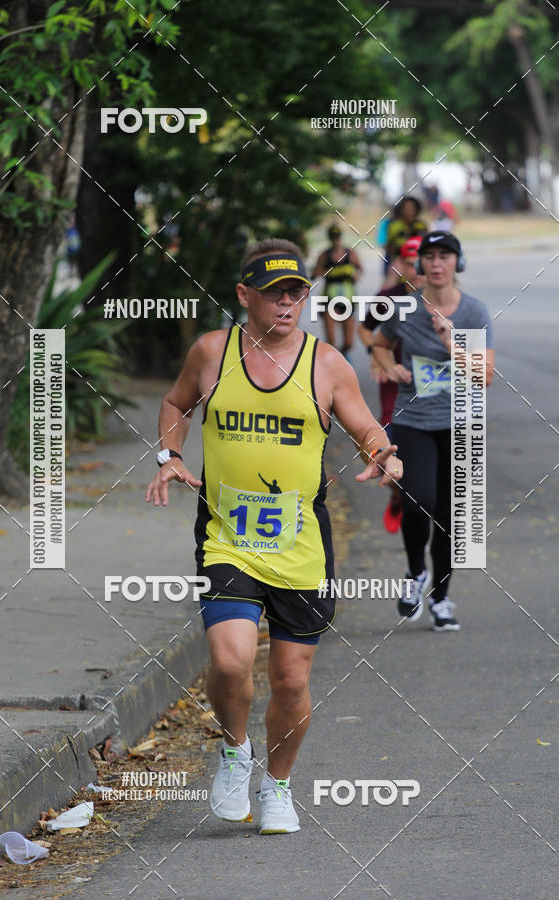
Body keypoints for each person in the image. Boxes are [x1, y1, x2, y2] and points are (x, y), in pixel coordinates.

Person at [145, 238, 401, 834]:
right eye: (274, 294)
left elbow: (365, 425)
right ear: (245, 296)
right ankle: (236, 752)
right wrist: (168, 454)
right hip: (226, 535)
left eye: (297, 293)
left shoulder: (326, 365)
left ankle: (278, 784)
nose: (287, 304)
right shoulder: (212, 353)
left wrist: (385, 454)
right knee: (231, 661)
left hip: (300, 544)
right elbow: (176, 403)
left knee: (290, 679)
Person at [372, 231, 495, 631]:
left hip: (460, 421)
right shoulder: (405, 309)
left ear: (457, 263)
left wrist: (452, 343)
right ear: (420, 264)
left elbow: (485, 375)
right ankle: (414, 574)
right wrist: (389, 366)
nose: (437, 264)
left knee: (449, 516)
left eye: (445, 256)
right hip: (413, 419)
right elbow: (379, 343)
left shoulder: (473, 313)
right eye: (430, 256)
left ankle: (441, 599)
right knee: (416, 500)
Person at [358, 236, 426, 533]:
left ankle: (416, 501)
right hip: (394, 382)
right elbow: (364, 329)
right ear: (400, 265)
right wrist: (375, 353)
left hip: (430, 388)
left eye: (419, 263)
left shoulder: (441, 298)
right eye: (410, 264)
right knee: (393, 448)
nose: (416, 270)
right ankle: (397, 496)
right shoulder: (388, 297)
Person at [312, 224, 363, 360]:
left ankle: (343, 356)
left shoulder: (350, 253)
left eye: (338, 236)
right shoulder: (324, 255)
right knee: (331, 340)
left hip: (348, 298)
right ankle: (334, 362)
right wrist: (327, 272)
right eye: (333, 237)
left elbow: (360, 269)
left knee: (349, 342)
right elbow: (314, 274)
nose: (336, 240)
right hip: (329, 299)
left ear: (341, 237)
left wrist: (356, 275)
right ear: (330, 238)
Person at [385, 196, 428, 265]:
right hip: (398, 262)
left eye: (412, 208)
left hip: (416, 263)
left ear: (416, 210)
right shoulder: (394, 226)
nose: (409, 211)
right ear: (400, 210)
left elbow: (425, 243)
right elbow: (388, 245)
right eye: (406, 208)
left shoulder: (421, 225)